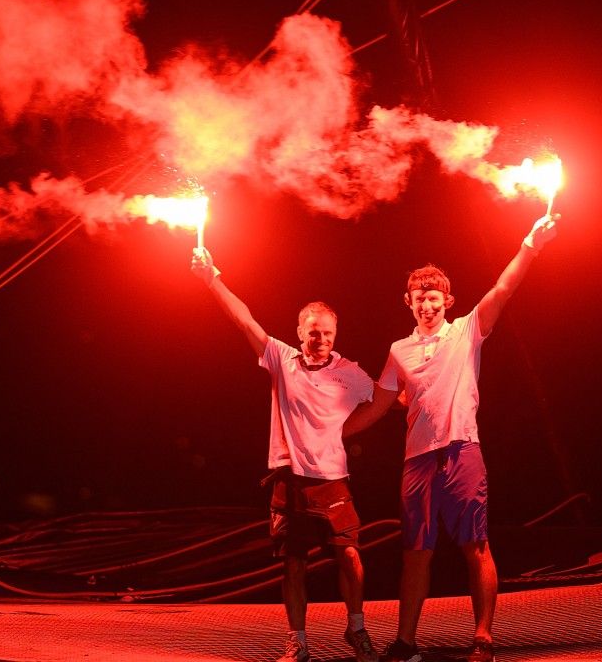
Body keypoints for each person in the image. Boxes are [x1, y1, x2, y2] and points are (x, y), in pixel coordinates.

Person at [343, 214, 559, 662]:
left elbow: (503, 288)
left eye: (434, 297)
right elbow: (378, 408)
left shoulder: (467, 331)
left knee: (475, 546)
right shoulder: (398, 351)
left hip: (463, 451)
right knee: (415, 552)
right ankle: (406, 643)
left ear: (447, 301)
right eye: (420, 298)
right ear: (409, 302)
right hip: (417, 461)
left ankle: (483, 639)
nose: (427, 304)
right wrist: (328, 434)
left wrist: (530, 245)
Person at [191, 246, 380, 662]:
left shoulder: (351, 374)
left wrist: (425, 390)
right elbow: (244, 320)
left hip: (332, 480)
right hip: (288, 479)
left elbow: (386, 400)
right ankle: (298, 643)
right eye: (313, 332)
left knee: (350, 555)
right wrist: (211, 278)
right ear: (300, 333)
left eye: (327, 332)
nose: (321, 339)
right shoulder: (281, 359)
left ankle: (357, 629)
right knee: (293, 563)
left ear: (336, 334)